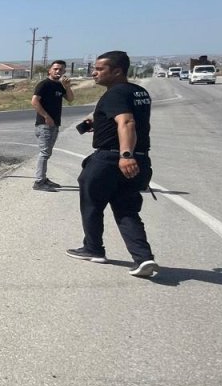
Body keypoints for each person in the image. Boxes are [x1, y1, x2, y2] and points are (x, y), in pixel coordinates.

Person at [66, 51, 159, 278]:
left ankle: (93, 249)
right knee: (127, 209)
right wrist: (96, 124)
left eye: (99, 69)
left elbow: (126, 121)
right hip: (140, 158)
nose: (94, 72)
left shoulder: (115, 94)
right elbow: (124, 121)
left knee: (92, 204)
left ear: (117, 71)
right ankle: (143, 258)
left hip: (111, 160)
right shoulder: (139, 92)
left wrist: (124, 155)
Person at [31, 60, 74, 191]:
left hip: (54, 124)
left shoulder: (60, 86)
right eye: (55, 69)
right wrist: (46, 117)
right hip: (44, 125)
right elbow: (34, 101)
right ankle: (39, 182)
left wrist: (67, 86)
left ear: (64, 71)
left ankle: (43, 178)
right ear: (49, 70)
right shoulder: (44, 84)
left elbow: (71, 99)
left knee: (47, 153)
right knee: (44, 153)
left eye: (61, 69)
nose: (58, 71)